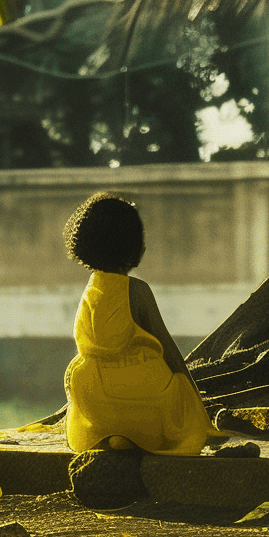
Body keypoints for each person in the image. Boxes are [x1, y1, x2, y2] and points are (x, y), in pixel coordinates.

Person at [61, 191, 213, 456]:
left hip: (95, 402)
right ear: (132, 245)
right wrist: (195, 403)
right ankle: (136, 435)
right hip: (143, 403)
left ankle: (113, 434)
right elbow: (168, 349)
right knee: (178, 393)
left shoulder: (90, 291)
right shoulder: (137, 290)